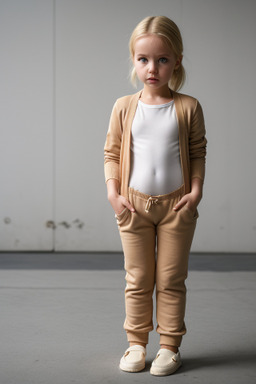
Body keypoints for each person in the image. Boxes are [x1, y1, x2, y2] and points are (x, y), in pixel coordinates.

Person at [104, 15, 207, 376]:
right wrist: (113, 193)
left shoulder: (188, 107)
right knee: (138, 278)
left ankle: (169, 347)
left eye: (162, 59)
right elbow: (112, 153)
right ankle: (136, 344)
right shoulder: (123, 106)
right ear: (134, 60)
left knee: (171, 279)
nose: (152, 68)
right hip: (133, 205)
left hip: (177, 206)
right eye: (143, 59)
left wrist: (195, 192)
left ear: (176, 60)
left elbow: (197, 151)